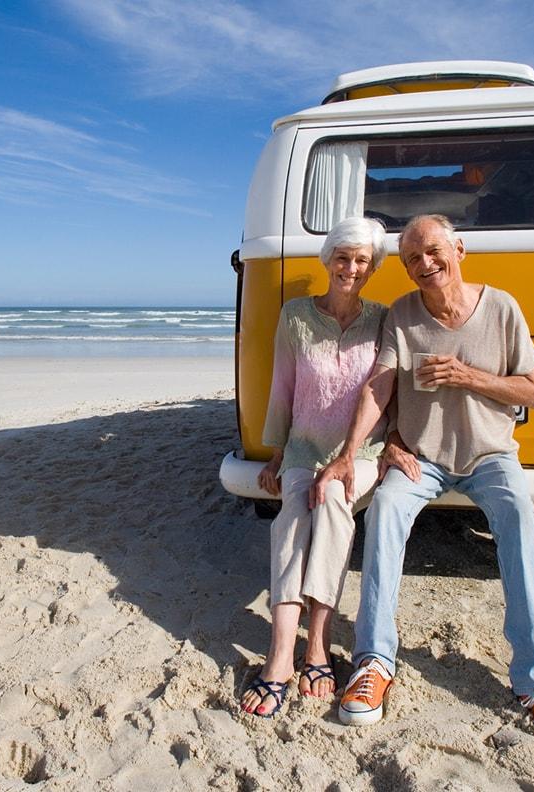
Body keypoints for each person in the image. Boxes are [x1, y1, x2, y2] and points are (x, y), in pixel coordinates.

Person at [312, 214, 534, 750]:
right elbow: (380, 386)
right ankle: (374, 659)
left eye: (434, 251)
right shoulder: (402, 315)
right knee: (386, 515)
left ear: (459, 249)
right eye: (413, 257)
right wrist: (364, 448)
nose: (425, 264)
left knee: (521, 525)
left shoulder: (502, 308)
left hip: (491, 457)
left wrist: (470, 377)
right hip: (422, 459)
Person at [239, 216, 389, 718]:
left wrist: (395, 445)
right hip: (304, 447)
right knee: (293, 517)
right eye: (343, 258)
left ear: (372, 268)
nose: (350, 268)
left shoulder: (384, 319)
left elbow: (392, 389)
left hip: (361, 453)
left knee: (331, 506)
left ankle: (318, 645)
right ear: (328, 260)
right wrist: (277, 453)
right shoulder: (296, 315)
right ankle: (282, 653)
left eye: (361, 261)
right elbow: (282, 388)